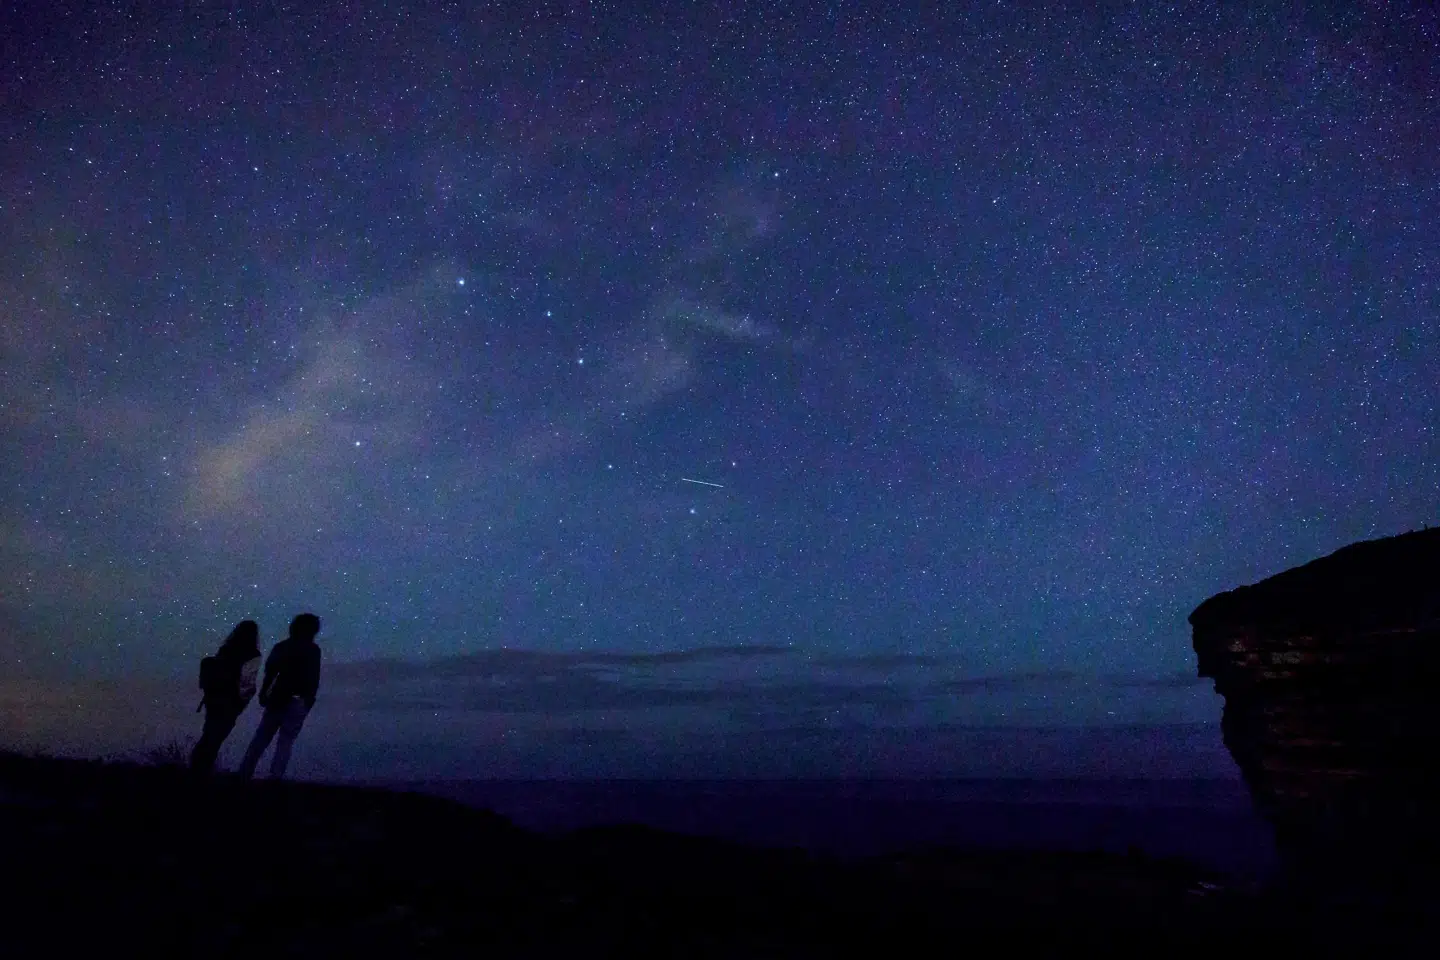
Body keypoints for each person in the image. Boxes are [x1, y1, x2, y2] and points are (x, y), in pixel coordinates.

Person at [237, 612, 322, 780]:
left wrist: (264, 692)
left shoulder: (282, 647)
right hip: (298, 699)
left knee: (262, 737)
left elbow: (270, 673)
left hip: (279, 696)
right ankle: (275, 776)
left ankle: (245, 772)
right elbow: (314, 677)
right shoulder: (313, 650)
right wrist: (309, 699)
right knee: (285, 741)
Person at [190, 620, 263, 775]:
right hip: (231, 700)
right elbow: (247, 681)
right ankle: (202, 770)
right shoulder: (252, 654)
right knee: (218, 735)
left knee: (209, 732)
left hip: (214, 697)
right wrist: (243, 702)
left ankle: (196, 767)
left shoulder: (226, 649)